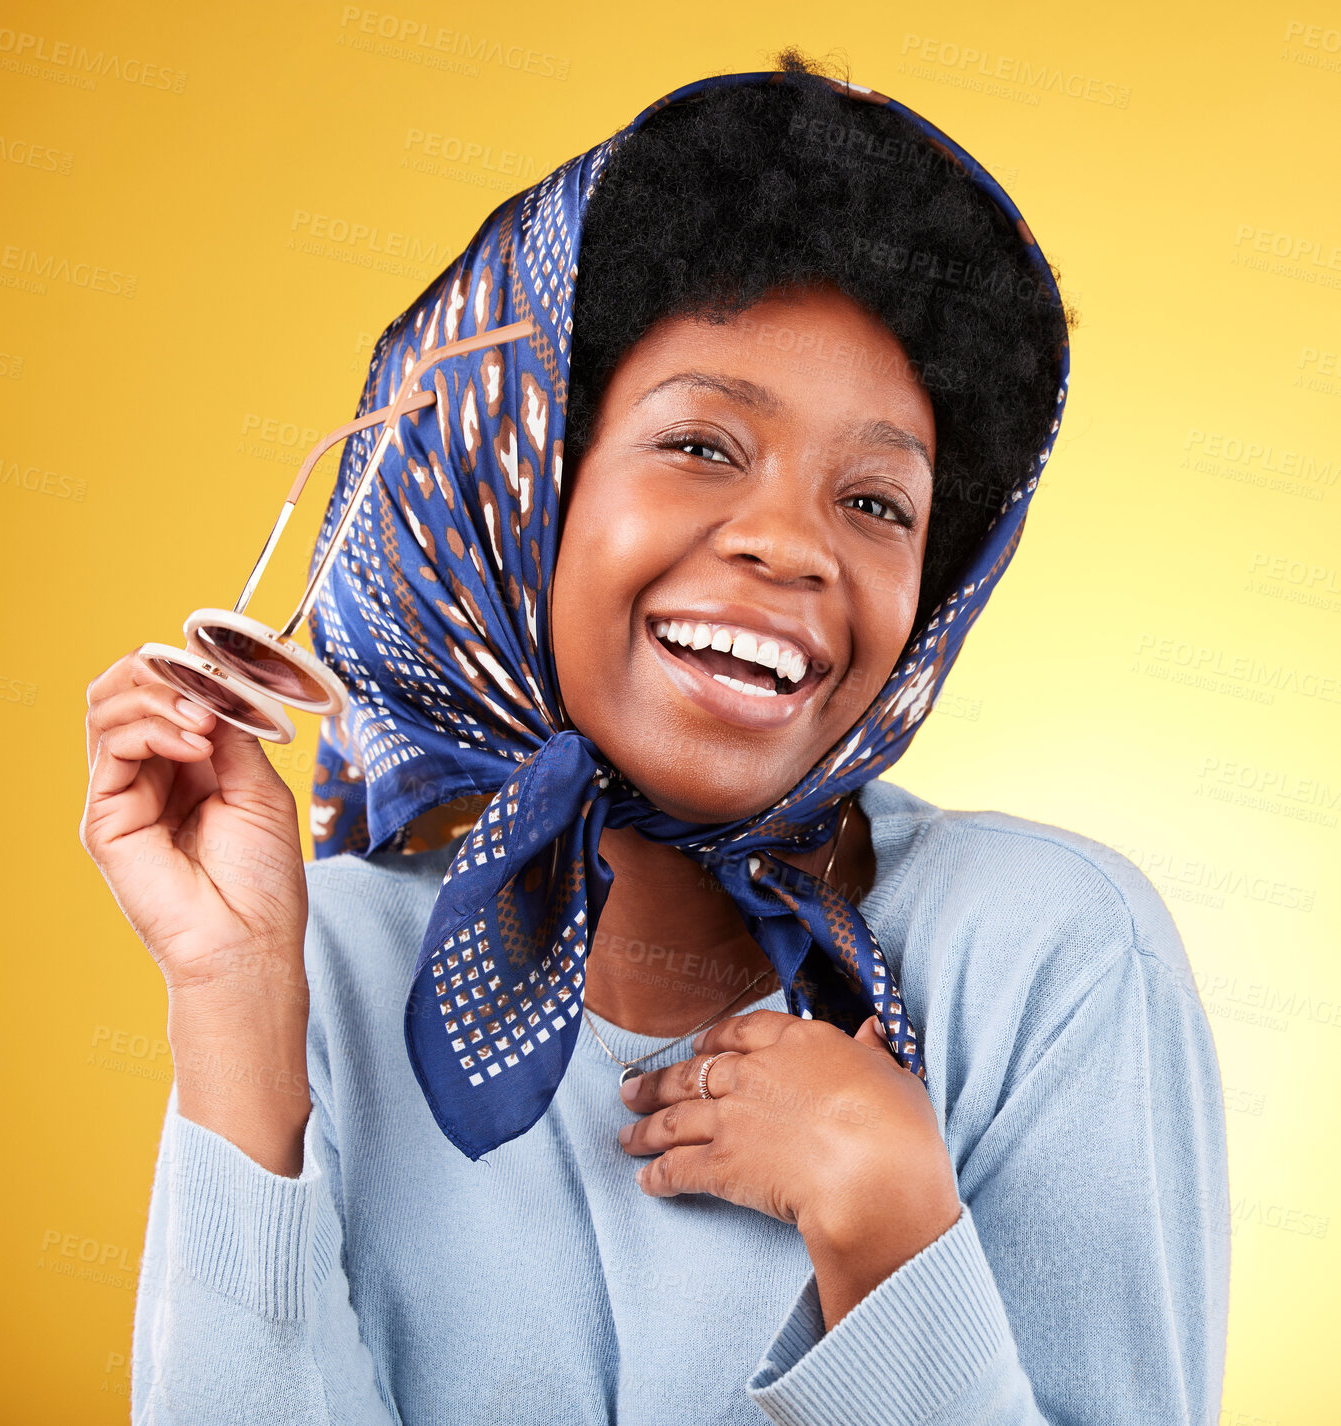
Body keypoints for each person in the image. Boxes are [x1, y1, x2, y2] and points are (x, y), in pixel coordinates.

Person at [81, 54, 1230, 1425]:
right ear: (525, 478)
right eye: (701, 443)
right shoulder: (317, 960)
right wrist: (231, 1004)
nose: (791, 544)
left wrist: (889, 1229)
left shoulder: (1049, 954)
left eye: (875, 502)